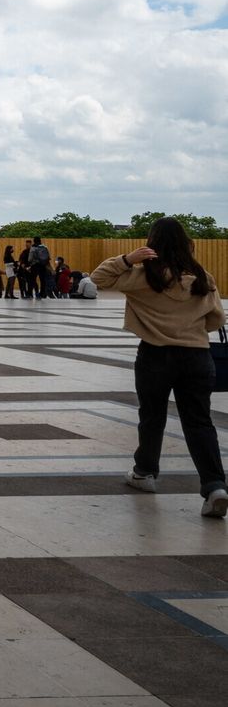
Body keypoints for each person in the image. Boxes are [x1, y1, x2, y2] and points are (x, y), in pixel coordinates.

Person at [92, 218, 227, 518]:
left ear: (152, 243)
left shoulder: (143, 276)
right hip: (196, 356)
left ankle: (145, 473)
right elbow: (217, 320)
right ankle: (215, 485)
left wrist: (128, 259)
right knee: (199, 422)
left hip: (155, 355)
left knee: (152, 416)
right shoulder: (202, 277)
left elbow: (98, 278)